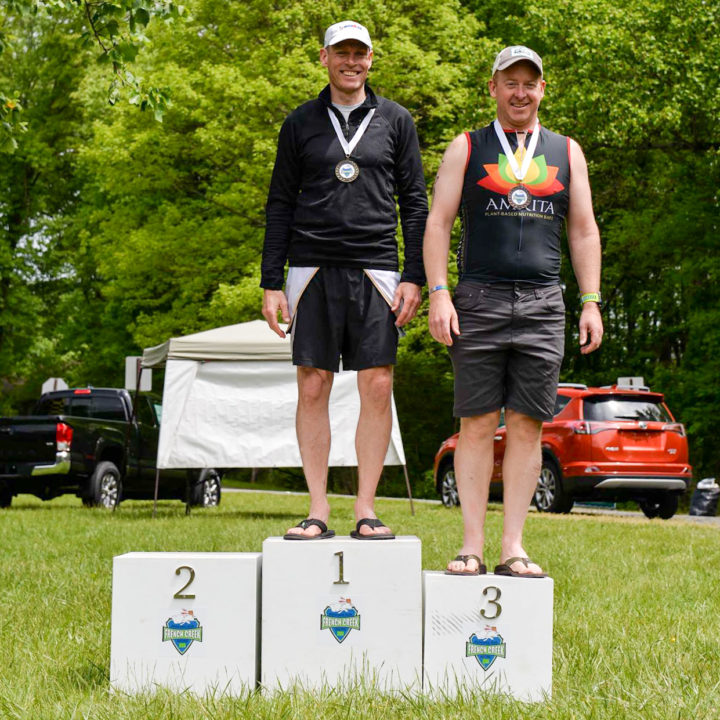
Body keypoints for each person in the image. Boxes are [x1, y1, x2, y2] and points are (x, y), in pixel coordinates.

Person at [423, 46, 603, 576]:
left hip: (545, 302)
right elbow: (438, 224)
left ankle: (513, 548)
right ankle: (471, 547)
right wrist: (438, 292)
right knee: (476, 423)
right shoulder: (467, 146)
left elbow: (584, 230)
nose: (520, 92)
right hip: (478, 299)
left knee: (529, 426)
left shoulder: (566, 151)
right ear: (493, 87)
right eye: (510, 83)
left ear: (542, 89)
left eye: (530, 83)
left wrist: (591, 301)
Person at [261, 21, 427, 540]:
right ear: (324, 57)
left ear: (371, 59)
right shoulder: (299, 123)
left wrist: (415, 275)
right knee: (313, 386)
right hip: (311, 268)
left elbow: (415, 204)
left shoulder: (396, 120)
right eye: (341, 53)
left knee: (377, 386)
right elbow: (280, 204)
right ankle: (317, 508)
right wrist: (271, 282)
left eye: (359, 53)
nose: (350, 61)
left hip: (378, 267)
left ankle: (366, 507)